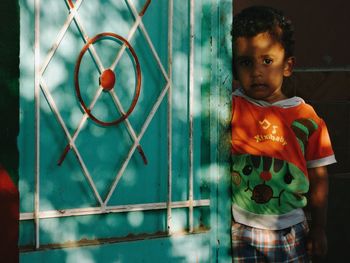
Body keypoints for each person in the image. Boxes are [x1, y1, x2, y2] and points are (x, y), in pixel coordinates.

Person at [230, 6, 336, 262]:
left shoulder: (306, 117)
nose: (256, 71)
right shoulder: (230, 107)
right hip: (241, 229)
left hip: (291, 231)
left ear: (288, 66)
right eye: (246, 62)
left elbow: (319, 176)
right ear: (233, 69)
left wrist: (319, 228)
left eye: (267, 61)